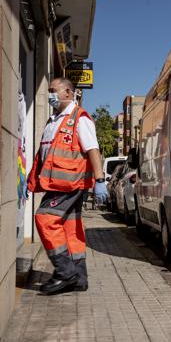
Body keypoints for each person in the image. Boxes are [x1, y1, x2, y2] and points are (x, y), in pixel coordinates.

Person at [27, 77, 108, 294]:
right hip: (57, 183)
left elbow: (93, 150)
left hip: (69, 183)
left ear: (68, 93)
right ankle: (79, 278)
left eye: (54, 90)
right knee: (70, 229)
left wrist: (100, 181)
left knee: (44, 218)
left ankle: (65, 272)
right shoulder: (54, 120)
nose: (50, 94)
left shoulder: (79, 118)